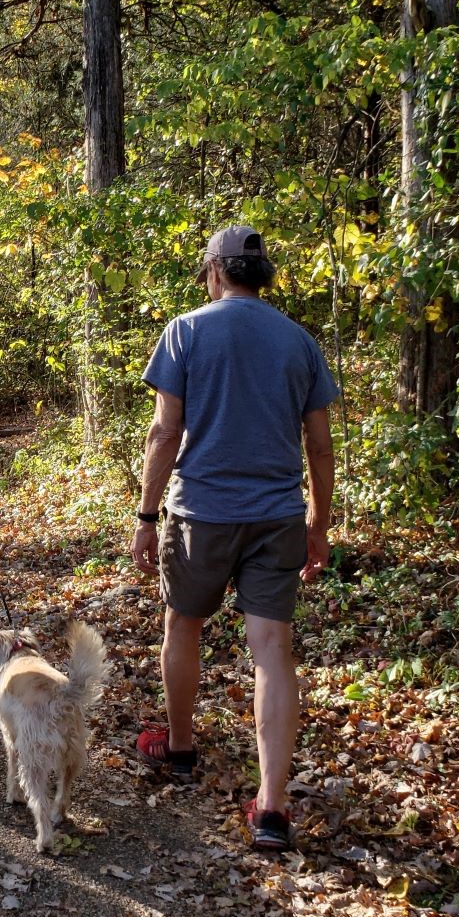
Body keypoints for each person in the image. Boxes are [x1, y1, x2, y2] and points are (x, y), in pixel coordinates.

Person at [129, 225, 337, 853]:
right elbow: (319, 444)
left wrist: (145, 513)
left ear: (215, 270)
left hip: (202, 512)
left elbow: (166, 433)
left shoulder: (187, 331)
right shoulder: (299, 341)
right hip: (276, 515)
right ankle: (271, 808)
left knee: (183, 625)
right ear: (261, 272)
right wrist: (318, 525)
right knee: (272, 651)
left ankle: (182, 747)